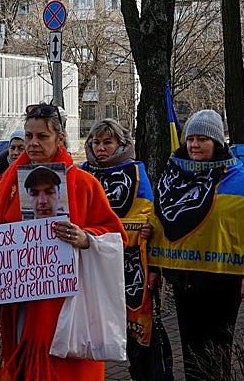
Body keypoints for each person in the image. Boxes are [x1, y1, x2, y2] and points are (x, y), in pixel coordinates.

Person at [0, 103, 125, 381]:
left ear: (59, 139)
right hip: (19, 299)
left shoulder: (84, 183)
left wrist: (85, 238)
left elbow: (114, 235)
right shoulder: (10, 181)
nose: (33, 144)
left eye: (42, 137)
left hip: (67, 301)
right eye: (29, 136)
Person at [151, 109, 244, 381]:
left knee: (218, 349)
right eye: (191, 138)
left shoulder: (238, 179)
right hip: (184, 277)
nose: (194, 145)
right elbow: (159, 222)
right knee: (191, 349)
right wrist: (154, 267)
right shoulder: (172, 176)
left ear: (217, 143)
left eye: (202, 139)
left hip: (222, 279)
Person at [80, 118, 156, 379]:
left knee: (137, 330)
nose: (101, 148)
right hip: (89, 262)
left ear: (121, 144)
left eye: (108, 142)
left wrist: (145, 228)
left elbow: (146, 212)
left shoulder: (135, 171)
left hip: (129, 261)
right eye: (96, 142)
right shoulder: (81, 172)